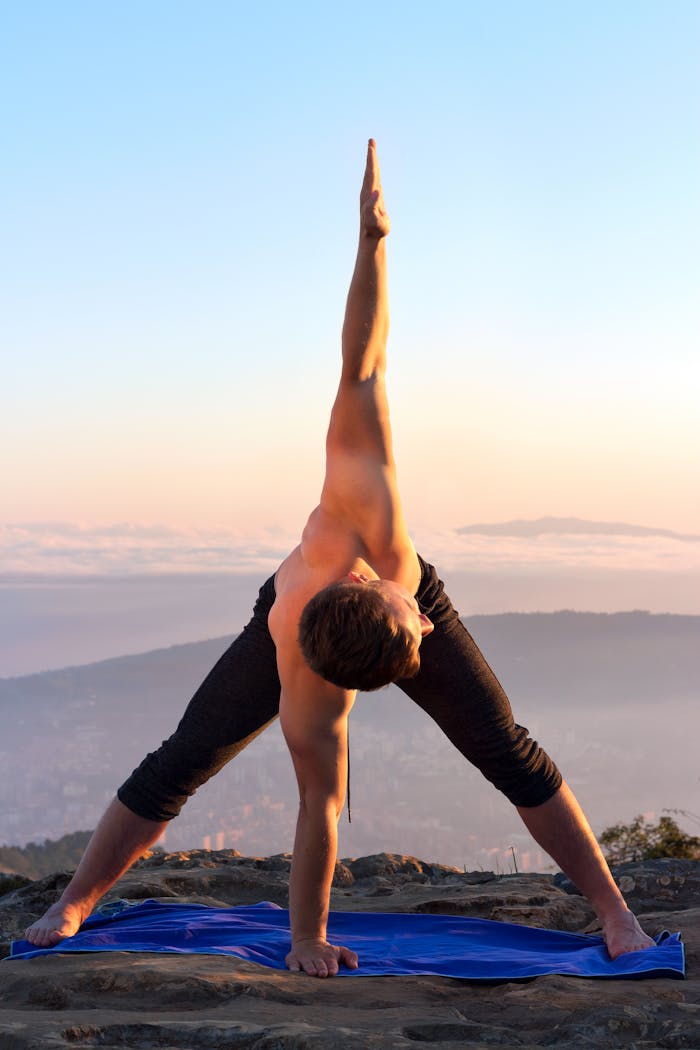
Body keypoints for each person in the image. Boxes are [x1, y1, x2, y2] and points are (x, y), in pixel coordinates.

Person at [26, 141, 654, 975]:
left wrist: (373, 244)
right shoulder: (301, 664)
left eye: (418, 626)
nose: (429, 622)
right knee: (184, 757)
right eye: (419, 623)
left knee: (508, 749)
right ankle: (73, 899)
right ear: (365, 594)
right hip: (305, 626)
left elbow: (363, 357)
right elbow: (320, 802)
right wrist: (305, 939)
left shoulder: (371, 514)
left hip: (357, 591)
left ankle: (615, 913)